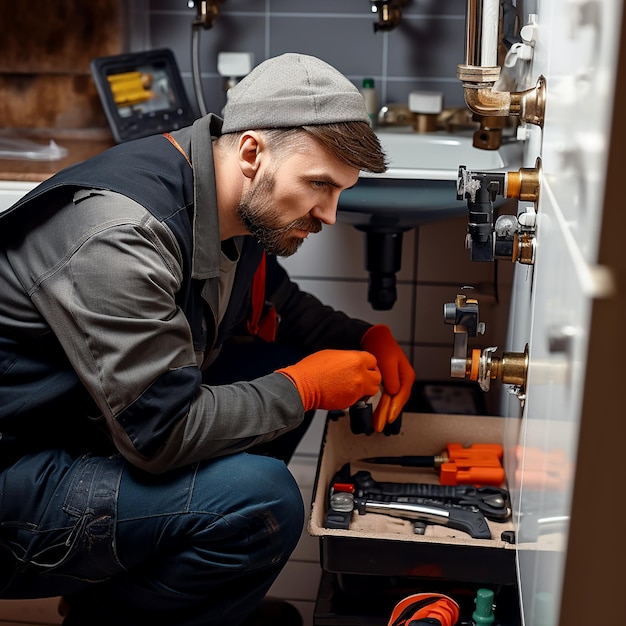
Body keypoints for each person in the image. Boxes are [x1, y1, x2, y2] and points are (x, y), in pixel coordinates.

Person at [0, 53, 415, 625]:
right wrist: (305, 389)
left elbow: (278, 304)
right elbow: (164, 433)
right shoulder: (122, 237)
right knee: (261, 498)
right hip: (15, 481)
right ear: (252, 154)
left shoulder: (226, 201)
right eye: (319, 184)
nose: (330, 214)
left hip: (77, 435)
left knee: (282, 358)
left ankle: (146, 605)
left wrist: (367, 337)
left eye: (340, 191)